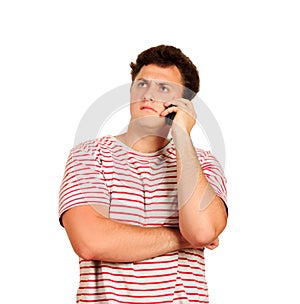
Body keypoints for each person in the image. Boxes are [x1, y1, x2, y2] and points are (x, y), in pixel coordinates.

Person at [59, 45, 228, 303]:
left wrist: (182, 132)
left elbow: (202, 231)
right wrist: (182, 239)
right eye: (141, 85)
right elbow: (90, 241)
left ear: (184, 104)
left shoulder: (203, 163)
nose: (147, 95)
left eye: (163, 88)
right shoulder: (89, 156)